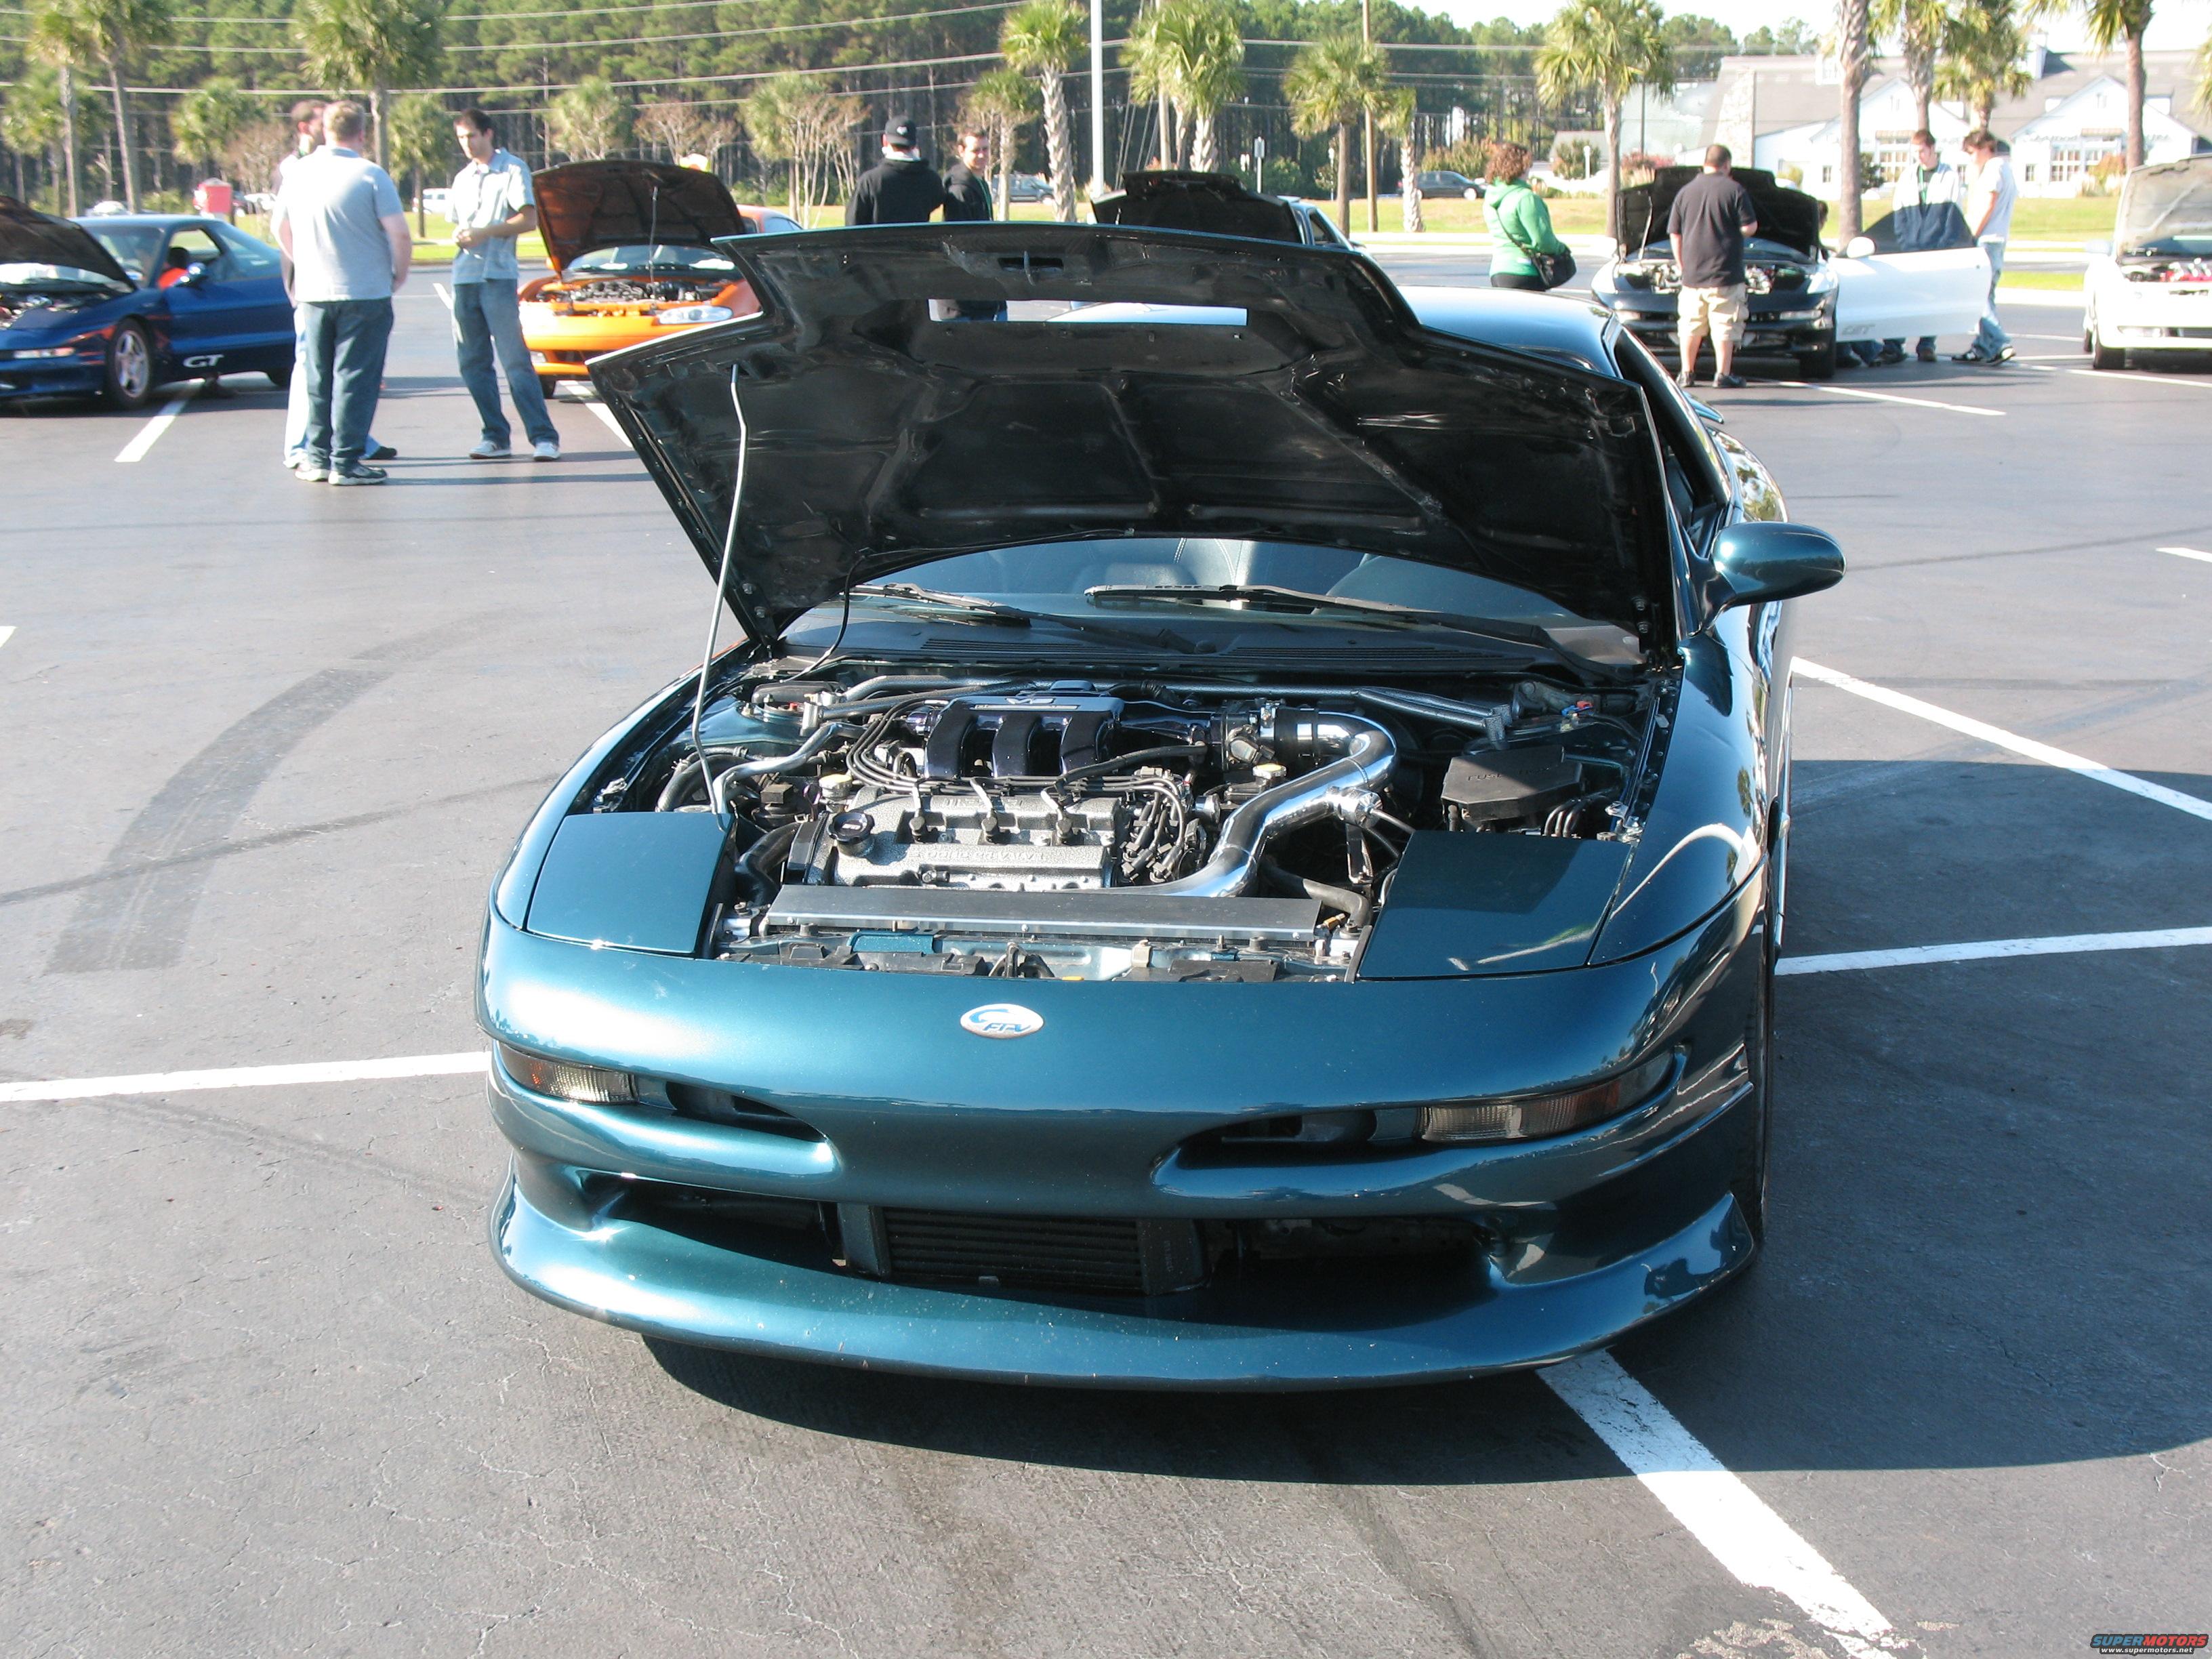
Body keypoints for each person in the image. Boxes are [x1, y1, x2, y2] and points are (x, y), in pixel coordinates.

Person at [270, 100, 409, 485]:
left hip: (314, 292)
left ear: (325, 131)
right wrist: (398, 274)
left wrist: (303, 261)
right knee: (356, 378)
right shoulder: (370, 174)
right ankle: (346, 462)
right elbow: (398, 232)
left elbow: (279, 227)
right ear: (362, 133)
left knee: (318, 378)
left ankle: (317, 458)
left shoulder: (298, 173)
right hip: (364, 291)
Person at [447, 107, 560, 462]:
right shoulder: (463, 178)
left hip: (497, 276)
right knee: (472, 362)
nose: (467, 143)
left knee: (515, 361)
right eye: (461, 138)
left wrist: (485, 232)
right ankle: (495, 436)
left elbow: (528, 219)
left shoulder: (512, 169)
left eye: (472, 136)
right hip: (464, 276)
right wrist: (463, 234)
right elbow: (458, 222)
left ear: (488, 134)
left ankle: (544, 437)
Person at [1670, 144, 1759, 390]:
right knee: (1725, 323)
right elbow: (1749, 227)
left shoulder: (1685, 192)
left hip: (1692, 274)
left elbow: (1675, 233)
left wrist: (1682, 264)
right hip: (1725, 273)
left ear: (1705, 163)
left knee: (1690, 324)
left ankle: (1686, 372)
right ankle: (1723, 374)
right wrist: (1735, 230)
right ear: (1727, 164)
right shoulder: (1735, 190)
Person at [1954, 129, 2018, 365]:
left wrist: (1973, 234)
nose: (1971, 158)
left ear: (1984, 149)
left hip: (1987, 239)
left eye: (1972, 152)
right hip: (1997, 239)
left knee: (1978, 294)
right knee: (1986, 294)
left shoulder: (1994, 169)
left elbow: (1988, 204)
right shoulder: (2005, 168)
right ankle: (1982, 346)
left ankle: (2001, 342)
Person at [1481, 140, 1570, 291]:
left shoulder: (1491, 198)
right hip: (1524, 270)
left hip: (1499, 270)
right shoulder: (1526, 198)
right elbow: (1544, 241)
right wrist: (1562, 249)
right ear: (1521, 167)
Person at [845, 118, 947, 226]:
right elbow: (937, 200)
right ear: (914, 144)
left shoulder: (870, 181)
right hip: (918, 237)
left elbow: (853, 223)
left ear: (885, 141)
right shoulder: (931, 179)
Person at [941, 129, 995, 222]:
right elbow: (959, 230)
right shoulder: (959, 189)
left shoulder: (980, 182)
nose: (982, 155)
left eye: (985, 149)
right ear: (961, 151)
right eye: (976, 150)